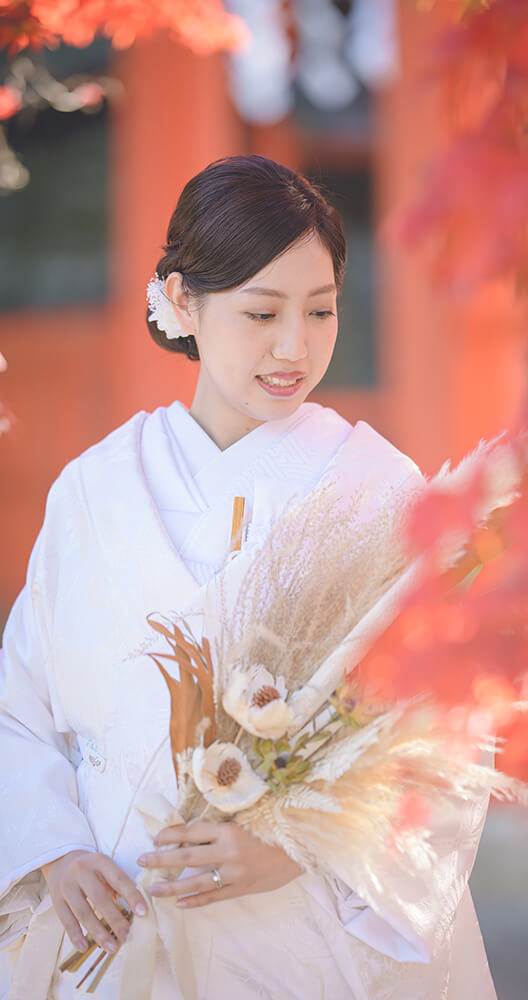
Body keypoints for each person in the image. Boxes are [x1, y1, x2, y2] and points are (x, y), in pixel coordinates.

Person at [0, 154, 496, 999]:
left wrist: (299, 841)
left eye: (321, 310)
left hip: (307, 939)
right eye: (261, 312)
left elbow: (447, 735)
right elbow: (21, 707)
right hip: (116, 931)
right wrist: (51, 846)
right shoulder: (95, 488)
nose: (293, 347)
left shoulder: (381, 492)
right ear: (183, 302)